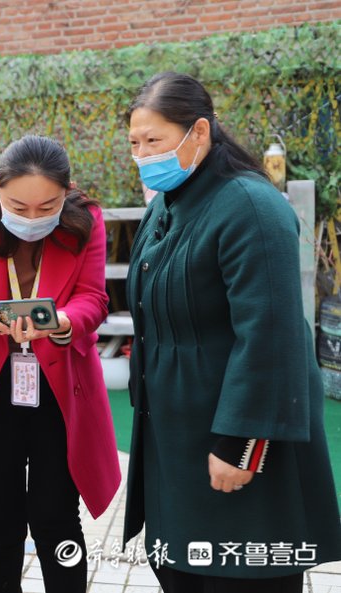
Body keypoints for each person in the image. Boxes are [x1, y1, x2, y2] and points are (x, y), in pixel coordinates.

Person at [122, 71, 341, 592]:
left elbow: (271, 333)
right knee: (182, 573)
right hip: (174, 441)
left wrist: (239, 443)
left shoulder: (249, 207)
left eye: (154, 141)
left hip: (235, 440)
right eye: (134, 142)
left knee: (241, 575)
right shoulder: (165, 207)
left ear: (199, 133)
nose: (142, 154)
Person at [0, 135, 121, 592]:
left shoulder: (86, 219)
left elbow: (94, 298)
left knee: (56, 513)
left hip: (61, 387)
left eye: (47, 206)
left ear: (67, 190)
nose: (33, 217)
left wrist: (62, 322)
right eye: (19, 205)